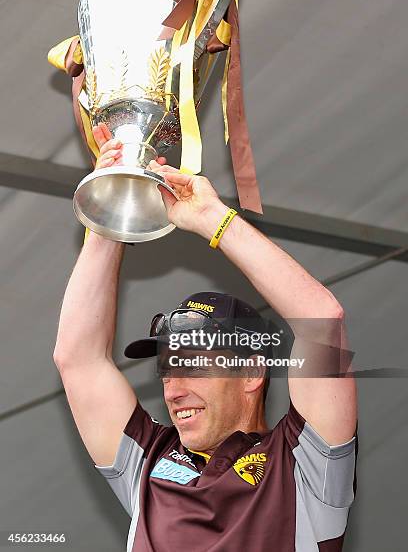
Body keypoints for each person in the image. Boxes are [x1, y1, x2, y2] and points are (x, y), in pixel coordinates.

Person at [53, 124, 357, 552]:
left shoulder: (304, 465)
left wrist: (213, 219)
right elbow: (78, 359)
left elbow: (322, 320)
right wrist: (113, 203)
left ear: (252, 370)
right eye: (167, 370)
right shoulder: (149, 462)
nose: (173, 389)